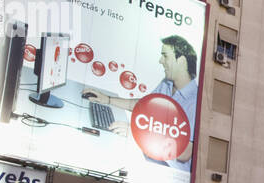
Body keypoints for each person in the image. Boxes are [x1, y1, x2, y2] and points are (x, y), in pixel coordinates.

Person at [83, 35, 199, 171]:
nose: (160, 61)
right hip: (148, 155)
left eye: (165, 56)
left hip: (167, 171)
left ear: (182, 61)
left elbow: (185, 153)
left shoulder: (195, 101)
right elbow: (144, 106)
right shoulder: (167, 84)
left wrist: (137, 133)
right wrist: (108, 99)